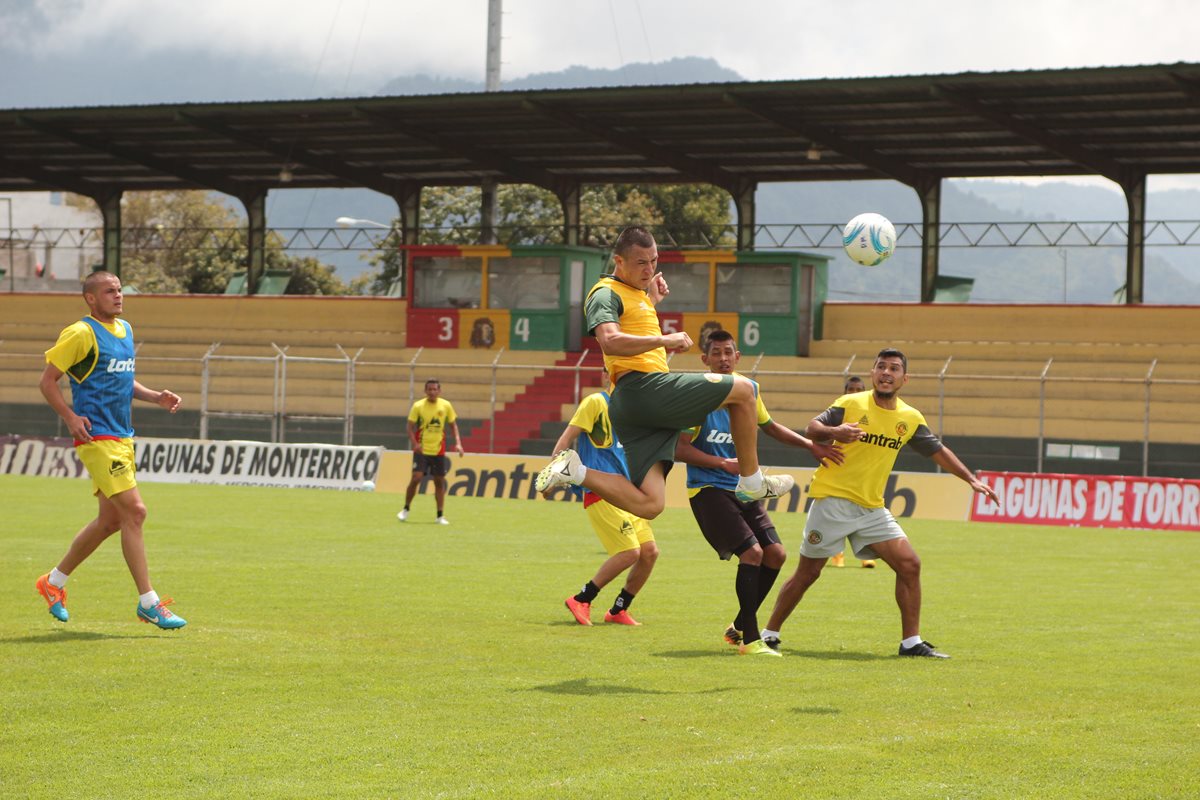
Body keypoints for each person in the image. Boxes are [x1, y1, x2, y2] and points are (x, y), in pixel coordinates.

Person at [535, 225, 794, 518]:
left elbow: (633, 324)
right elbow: (610, 341)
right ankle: (751, 482)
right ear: (619, 261)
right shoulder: (604, 294)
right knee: (744, 390)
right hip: (643, 390)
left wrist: (651, 301)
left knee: (651, 504)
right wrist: (665, 339)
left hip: (634, 406)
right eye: (641, 262)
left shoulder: (637, 295)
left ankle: (575, 471)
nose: (649, 269)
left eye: (654, 261)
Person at [762, 348, 1000, 658]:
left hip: (872, 508)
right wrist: (836, 431)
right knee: (809, 572)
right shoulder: (850, 404)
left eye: (894, 369)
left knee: (909, 564)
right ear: (873, 373)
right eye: (881, 367)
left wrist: (970, 479)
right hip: (832, 500)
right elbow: (813, 429)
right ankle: (769, 634)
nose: (887, 373)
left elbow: (937, 451)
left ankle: (911, 642)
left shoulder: (910, 418)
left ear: (905, 378)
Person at [674, 330, 843, 656]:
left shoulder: (747, 390)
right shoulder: (696, 397)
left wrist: (811, 445)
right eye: (716, 353)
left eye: (728, 352)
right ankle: (750, 639)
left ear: (738, 357)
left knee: (776, 554)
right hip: (708, 490)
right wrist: (722, 464)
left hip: (745, 489)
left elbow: (770, 426)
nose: (723, 359)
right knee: (752, 554)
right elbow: (679, 449)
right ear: (704, 359)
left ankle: (738, 626)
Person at [35, 270, 187, 630]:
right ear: (90, 298)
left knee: (110, 521)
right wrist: (71, 418)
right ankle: (149, 602)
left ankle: (53, 582)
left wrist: (155, 396)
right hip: (98, 438)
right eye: (109, 291)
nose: (118, 296)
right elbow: (47, 381)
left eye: (119, 290)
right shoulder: (80, 332)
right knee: (135, 512)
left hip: (123, 436)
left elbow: (120, 376)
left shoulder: (125, 330)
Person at [553, 391, 657, 626]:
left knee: (649, 552)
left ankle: (619, 610)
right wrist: (554, 471)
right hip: (601, 491)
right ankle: (581, 599)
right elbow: (567, 438)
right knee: (630, 552)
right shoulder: (596, 402)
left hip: (629, 492)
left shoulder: (637, 408)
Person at [397, 378, 464, 525]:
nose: (432, 392)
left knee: (439, 482)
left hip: (438, 451)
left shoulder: (446, 405)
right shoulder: (418, 406)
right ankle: (405, 509)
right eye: (430, 389)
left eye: (435, 389)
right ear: (425, 391)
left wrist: (458, 443)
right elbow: (409, 427)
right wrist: (415, 444)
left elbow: (453, 426)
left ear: (439, 391)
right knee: (416, 478)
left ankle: (440, 516)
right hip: (422, 450)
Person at [829, 376, 876, 569]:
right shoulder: (839, 411)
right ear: (845, 392)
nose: (855, 393)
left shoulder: (874, 414)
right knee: (837, 516)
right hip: (840, 470)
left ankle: (866, 556)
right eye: (852, 389)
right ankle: (837, 555)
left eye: (859, 389)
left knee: (865, 517)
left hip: (865, 474)